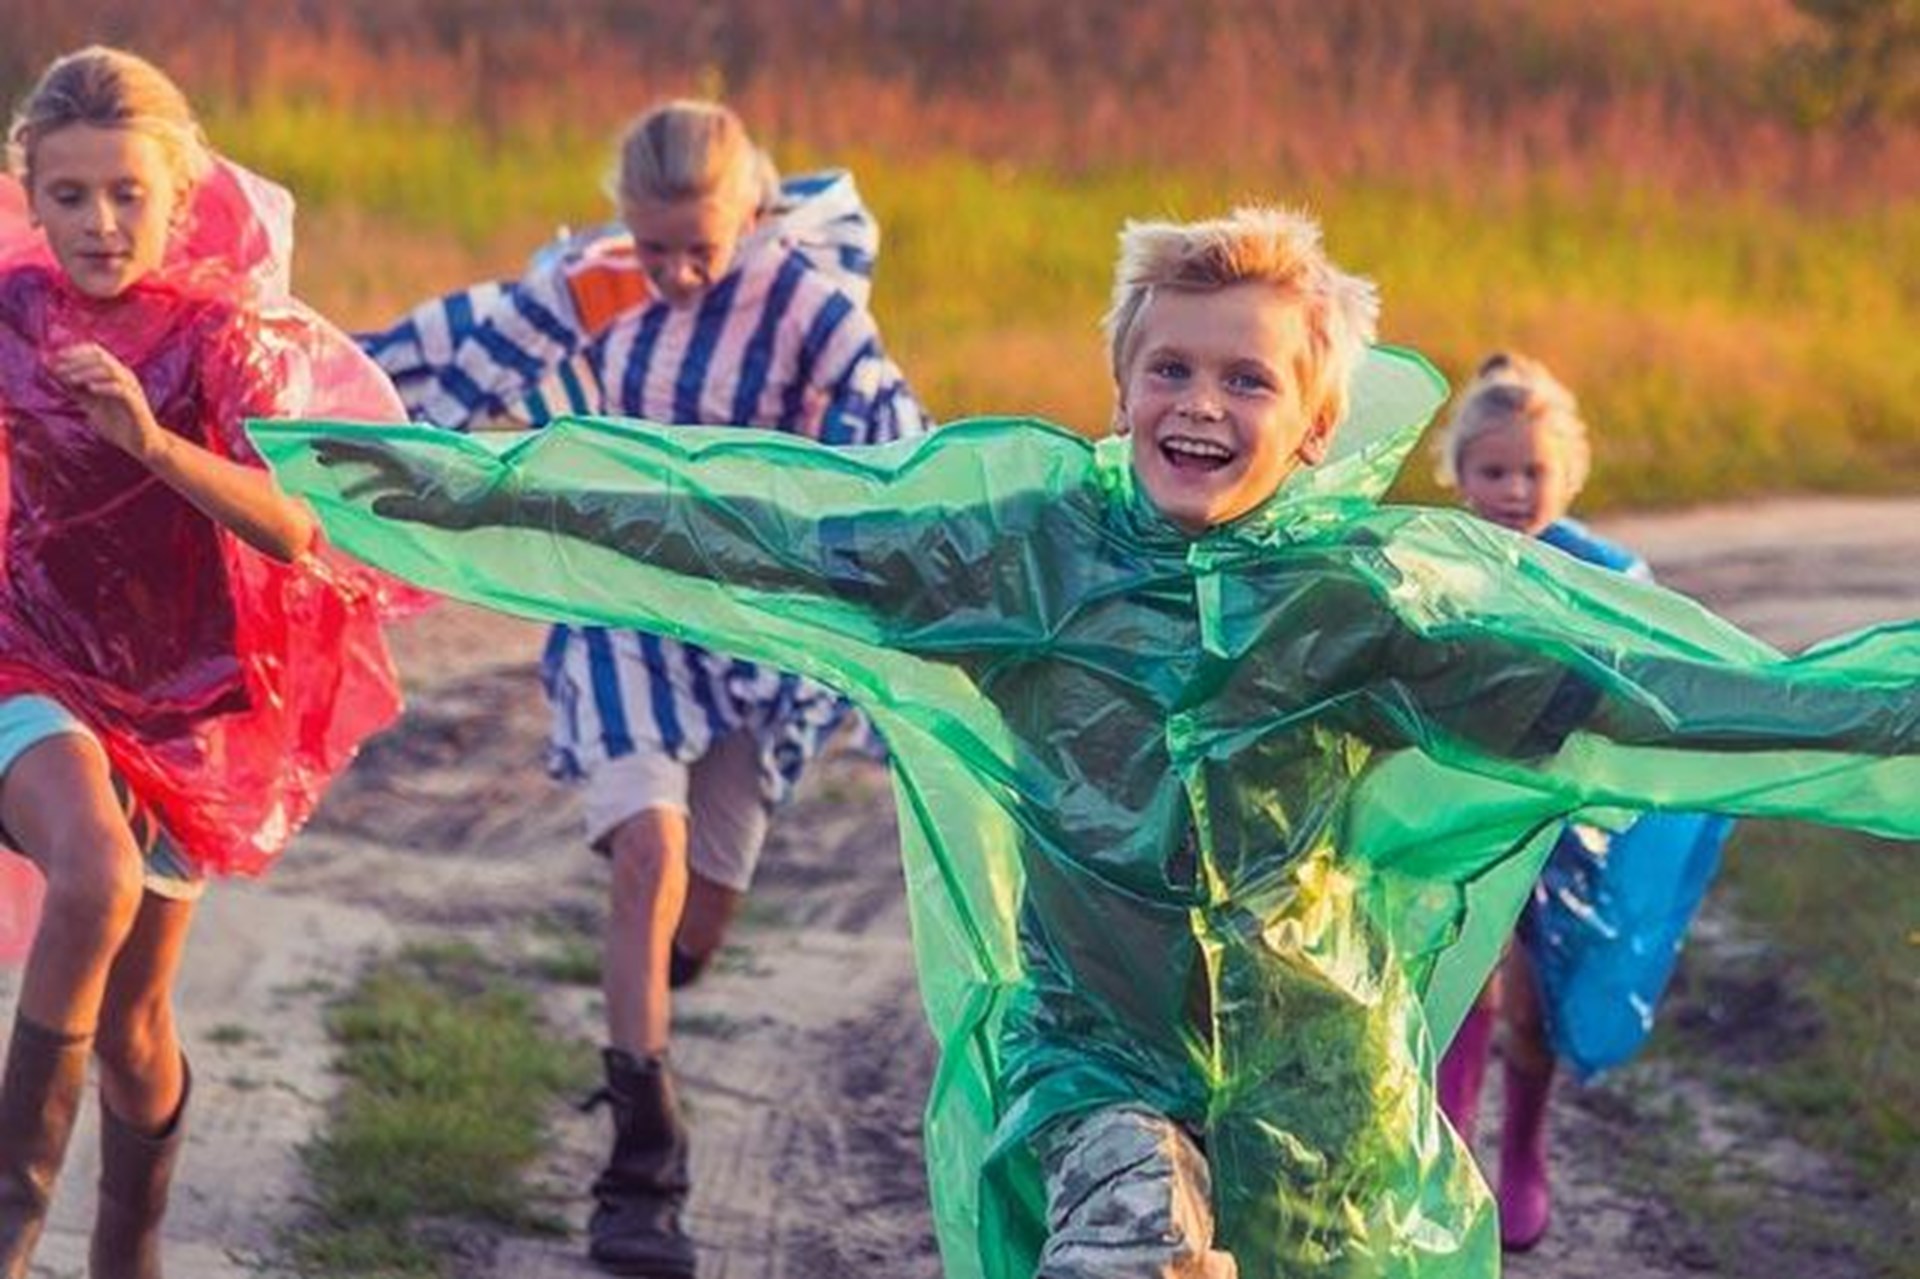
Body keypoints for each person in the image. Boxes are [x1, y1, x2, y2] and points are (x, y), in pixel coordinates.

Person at [261, 205, 1920, 1279]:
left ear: (1319, 421)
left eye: (1249, 380)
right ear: (1119, 378)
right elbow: (731, 529)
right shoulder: (1021, 558)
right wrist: (440, 485)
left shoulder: (1367, 609)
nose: (1203, 402)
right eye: (1171, 367)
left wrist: (1873, 711)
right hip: (1095, 1065)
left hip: (1319, 1098)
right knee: (1124, 1230)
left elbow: (1659, 704)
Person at [358, 98, 926, 1277]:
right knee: (650, 863)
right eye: (650, 246)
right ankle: (641, 1171)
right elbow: (434, 367)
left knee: (696, 918)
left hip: (752, 629)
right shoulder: (585, 284)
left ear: (751, 218)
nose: (672, 274)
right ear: (622, 222)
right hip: (618, 610)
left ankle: (643, 1001)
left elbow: (889, 421)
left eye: (697, 249)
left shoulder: (802, 301)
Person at [0, 46, 408, 1279]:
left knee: (132, 1026)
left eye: (126, 192)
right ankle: (12, 1226)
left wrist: (147, 437)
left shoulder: (225, 335)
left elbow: (295, 527)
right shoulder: (11, 311)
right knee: (92, 871)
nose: (98, 222)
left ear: (179, 195)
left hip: (188, 706)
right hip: (31, 659)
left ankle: (132, 1245)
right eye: (67, 195)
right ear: (31, 196)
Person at [1431, 352, 1734, 1250]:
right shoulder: (1440, 556)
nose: (1516, 488)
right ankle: (1451, 1149)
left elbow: (1648, 680)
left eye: (1535, 470)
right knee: (1459, 976)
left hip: (1565, 821)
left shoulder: (1605, 570)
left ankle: (1522, 1147)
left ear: (1567, 472)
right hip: (1462, 805)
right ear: (1459, 473)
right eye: (1494, 470)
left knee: (1532, 997)